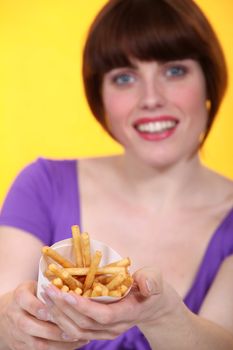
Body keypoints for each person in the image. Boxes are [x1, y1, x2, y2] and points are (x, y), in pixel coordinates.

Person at [0, 0, 233, 349]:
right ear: (101, 98)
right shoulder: (42, 185)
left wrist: (161, 315)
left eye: (174, 71)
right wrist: (11, 326)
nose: (151, 98)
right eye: (124, 77)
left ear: (209, 81)